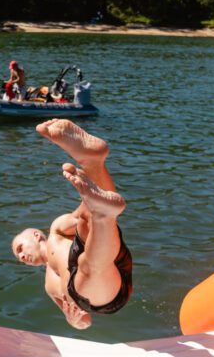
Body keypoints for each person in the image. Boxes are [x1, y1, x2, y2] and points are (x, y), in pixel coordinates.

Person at [12, 119, 132, 330]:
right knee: (87, 268)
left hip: (103, 250)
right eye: (19, 258)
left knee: (87, 220)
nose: (21, 257)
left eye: (20, 248)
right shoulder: (50, 287)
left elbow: (82, 214)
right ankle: (103, 211)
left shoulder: (56, 231)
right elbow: (85, 321)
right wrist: (74, 321)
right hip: (103, 293)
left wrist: (91, 203)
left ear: (36, 235)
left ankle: (92, 161)